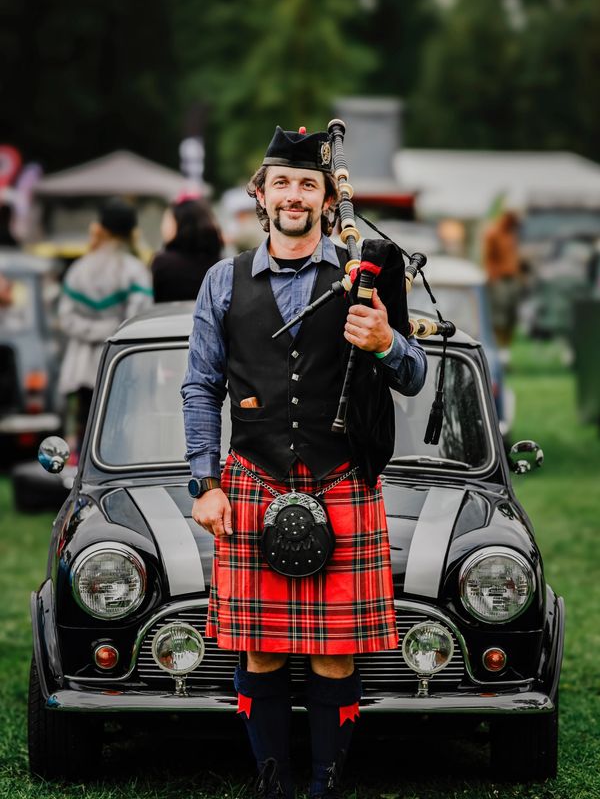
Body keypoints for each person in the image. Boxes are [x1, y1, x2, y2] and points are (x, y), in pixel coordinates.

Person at [181, 126, 427, 799]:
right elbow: (201, 385)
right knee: (259, 647)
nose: (294, 196)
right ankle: (273, 781)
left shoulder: (365, 273)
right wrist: (205, 483)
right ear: (260, 195)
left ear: (325, 200)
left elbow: (414, 374)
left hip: (341, 479)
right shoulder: (221, 281)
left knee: (333, 650)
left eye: (307, 184)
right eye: (281, 183)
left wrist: (384, 342)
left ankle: (325, 781)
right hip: (253, 479)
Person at [57, 198, 153, 457]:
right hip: (123, 365)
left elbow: (65, 317)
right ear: (132, 231)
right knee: (118, 438)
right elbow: (139, 319)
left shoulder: (79, 269)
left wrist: (92, 331)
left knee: (84, 434)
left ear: (101, 228)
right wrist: (111, 330)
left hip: (82, 367)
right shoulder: (135, 270)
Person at [151, 193, 223, 302]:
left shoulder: (162, 264)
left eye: (167, 221)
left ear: (181, 224)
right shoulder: (220, 265)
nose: (163, 227)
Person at [482, 210, 522, 351]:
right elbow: (488, 258)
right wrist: (492, 278)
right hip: (499, 279)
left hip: (512, 279)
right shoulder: (493, 233)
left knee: (512, 316)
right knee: (499, 317)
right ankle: (497, 349)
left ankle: (506, 350)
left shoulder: (512, 234)